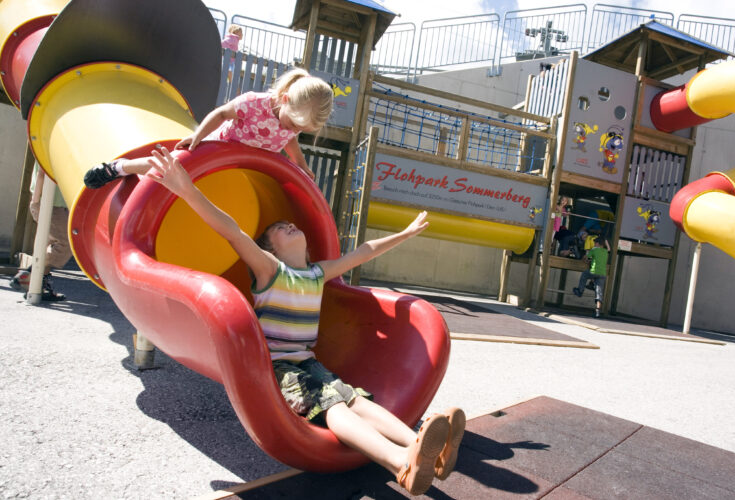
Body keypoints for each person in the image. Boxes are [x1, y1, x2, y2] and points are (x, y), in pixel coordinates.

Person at [144, 147, 465, 496]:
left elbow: (364, 251)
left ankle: (425, 447)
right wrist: (187, 189)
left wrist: (405, 234)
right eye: (281, 228)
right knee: (333, 408)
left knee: (357, 401)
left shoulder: (316, 274)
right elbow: (232, 231)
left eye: (291, 224)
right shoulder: (269, 270)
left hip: (310, 364)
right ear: (271, 249)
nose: (290, 225)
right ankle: (400, 461)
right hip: (280, 371)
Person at [83, 68, 331, 187]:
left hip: (244, 165)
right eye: (292, 123)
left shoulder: (293, 121)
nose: (292, 128)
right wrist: (197, 136)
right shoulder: (256, 103)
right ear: (284, 99)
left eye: (300, 128)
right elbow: (222, 113)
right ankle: (118, 168)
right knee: (175, 164)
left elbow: (289, 139)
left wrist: (302, 164)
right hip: (217, 148)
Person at [11, 165, 71, 301]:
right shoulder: (49, 147)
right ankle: (30, 271)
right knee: (65, 243)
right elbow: (41, 173)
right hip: (51, 204)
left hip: (50, 202)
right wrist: (37, 203)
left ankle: (38, 286)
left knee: (49, 244)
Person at [573, 236, 608, 318]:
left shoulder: (594, 249)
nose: (594, 244)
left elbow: (586, 258)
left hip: (594, 271)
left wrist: (585, 259)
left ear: (598, 244)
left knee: (584, 274)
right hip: (602, 273)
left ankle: (580, 291)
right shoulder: (605, 251)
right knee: (599, 292)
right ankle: (598, 312)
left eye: (595, 242)